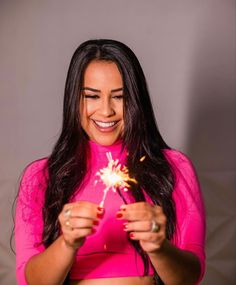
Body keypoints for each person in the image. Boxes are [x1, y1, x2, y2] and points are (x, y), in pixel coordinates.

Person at [15, 39, 205, 285]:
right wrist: (67, 242)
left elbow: (190, 277)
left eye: (120, 97)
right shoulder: (41, 176)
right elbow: (30, 281)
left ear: (136, 101)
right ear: (74, 100)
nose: (106, 111)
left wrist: (158, 247)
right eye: (92, 96)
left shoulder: (173, 168)